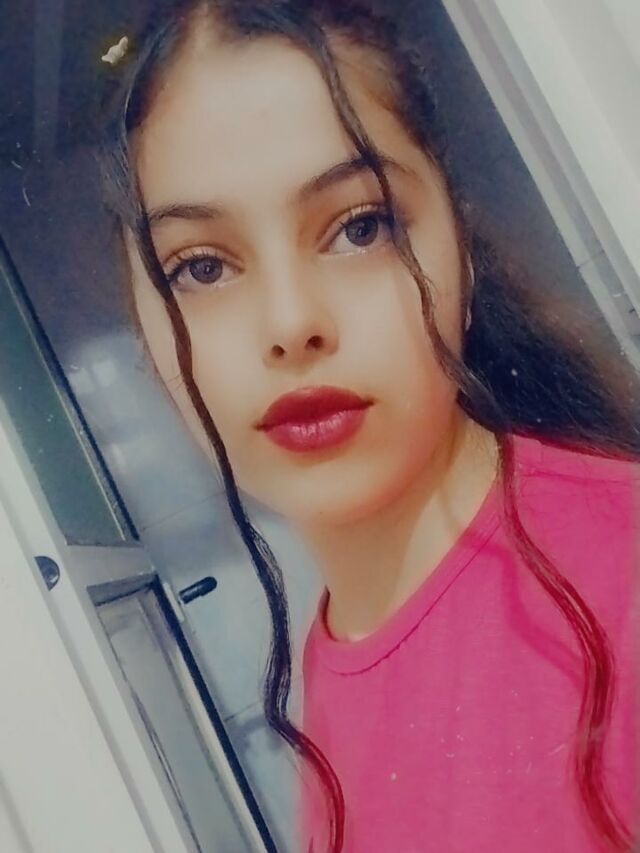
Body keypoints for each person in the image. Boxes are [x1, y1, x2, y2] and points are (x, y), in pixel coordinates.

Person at [96, 1, 640, 850]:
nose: (290, 322)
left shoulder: (623, 575)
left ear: (460, 247)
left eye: (360, 226)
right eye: (201, 267)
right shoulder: (331, 658)